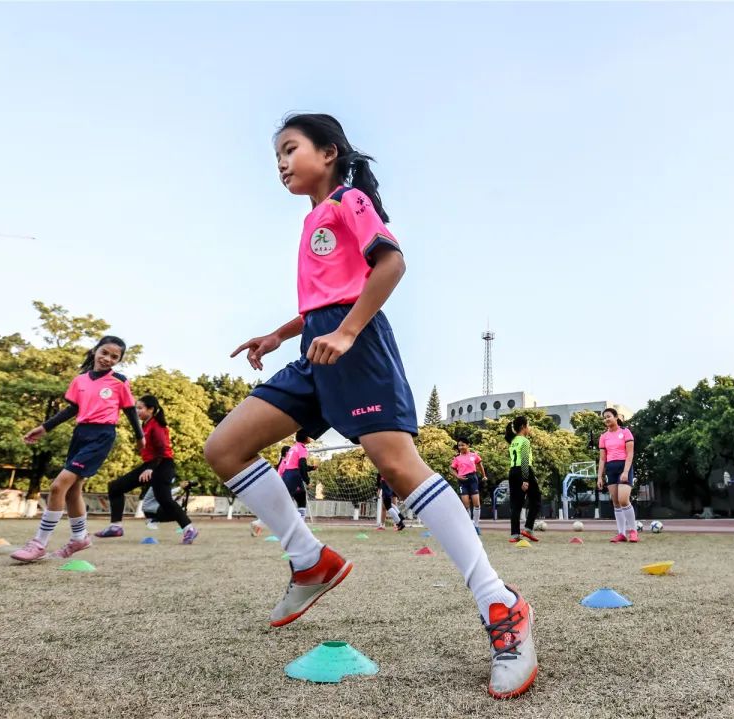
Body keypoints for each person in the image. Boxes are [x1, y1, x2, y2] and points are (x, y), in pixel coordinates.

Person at [201, 113, 536, 699]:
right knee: (224, 447)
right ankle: (310, 560)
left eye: (290, 149)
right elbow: (327, 294)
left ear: (328, 153)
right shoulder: (311, 221)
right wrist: (281, 335)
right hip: (316, 348)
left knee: (398, 465)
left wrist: (351, 333)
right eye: (275, 155)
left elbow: (390, 263)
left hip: (354, 346)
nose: (280, 162)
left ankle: (501, 605)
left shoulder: (350, 200)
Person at [12, 336, 143, 562]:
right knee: (73, 491)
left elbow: (130, 410)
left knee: (57, 486)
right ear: (95, 351)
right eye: (105, 353)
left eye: (115, 357)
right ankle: (80, 537)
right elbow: (71, 410)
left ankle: (39, 543)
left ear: (119, 360)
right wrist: (44, 428)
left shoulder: (119, 381)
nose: (108, 359)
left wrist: (140, 437)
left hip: (102, 436)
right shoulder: (80, 380)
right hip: (80, 434)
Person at [94, 395, 198, 544]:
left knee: (164, 499)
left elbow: (162, 450)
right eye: (136, 408)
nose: (137, 411)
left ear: (151, 409)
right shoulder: (145, 424)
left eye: (140, 408)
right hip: (151, 464)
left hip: (163, 465)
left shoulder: (157, 425)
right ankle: (115, 527)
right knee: (115, 487)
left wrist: (151, 469)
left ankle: (189, 529)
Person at [597, 409, 638, 543]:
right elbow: (602, 459)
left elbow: (630, 454)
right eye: (604, 418)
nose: (606, 419)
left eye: (609, 416)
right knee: (615, 502)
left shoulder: (625, 432)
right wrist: (599, 477)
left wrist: (626, 471)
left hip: (624, 467)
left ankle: (633, 531)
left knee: (623, 500)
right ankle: (621, 533)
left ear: (616, 417)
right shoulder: (603, 436)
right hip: (610, 469)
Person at [506, 417, 541, 544]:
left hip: (513, 471)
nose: (529, 428)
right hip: (524, 470)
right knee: (536, 500)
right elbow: (525, 460)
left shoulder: (513, 441)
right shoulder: (524, 441)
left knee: (516, 505)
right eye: (528, 425)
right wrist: (526, 479)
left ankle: (515, 534)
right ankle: (528, 529)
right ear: (523, 427)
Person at [451, 440, 487, 535]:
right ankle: (468, 526)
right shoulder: (457, 458)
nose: (461, 447)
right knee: (466, 504)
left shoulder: (474, 455)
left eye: (463, 445)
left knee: (476, 503)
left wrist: (484, 475)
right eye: (459, 445)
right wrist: (457, 476)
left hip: (473, 479)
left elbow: (480, 465)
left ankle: (476, 526)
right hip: (463, 481)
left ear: (468, 445)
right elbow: (452, 469)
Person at [279, 432, 313, 519]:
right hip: (294, 475)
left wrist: (311, 468)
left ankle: (260, 522)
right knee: (301, 500)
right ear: (305, 437)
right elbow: (302, 465)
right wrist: (307, 481)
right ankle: (301, 526)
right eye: (309, 435)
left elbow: (294, 464)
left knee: (285, 503)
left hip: (286, 475)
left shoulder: (293, 448)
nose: (310, 437)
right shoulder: (302, 448)